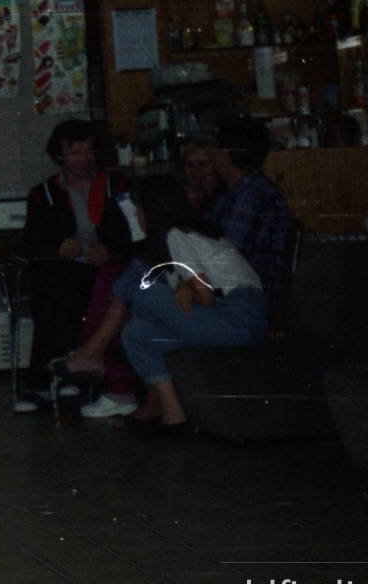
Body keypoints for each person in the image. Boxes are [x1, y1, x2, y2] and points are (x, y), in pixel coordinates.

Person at [62, 175, 265, 432]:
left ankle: (94, 355)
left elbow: (205, 294)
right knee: (137, 334)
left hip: (237, 317)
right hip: (237, 319)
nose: (136, 215)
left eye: (139, 208)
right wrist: (181, 288)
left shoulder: (176, 235)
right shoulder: (191, 232)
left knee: (142, 291)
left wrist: (183, 287)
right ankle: (173, 415)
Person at [16, 119, 134, 413]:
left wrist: (111, 250)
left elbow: (137, 233)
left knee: (66, 289)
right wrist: (57, 246)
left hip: (107, 270)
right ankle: (44, 383)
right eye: (76, 153)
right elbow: (31, 244)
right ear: (60, 156)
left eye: (89, 152)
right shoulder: (42, 194)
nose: (84, 160)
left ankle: (59, 377)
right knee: (53, 285)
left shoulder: (117, 185)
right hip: (65, 271)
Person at [203, 115, 292, 296]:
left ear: (225, 155)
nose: (208, 153)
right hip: (235, 289)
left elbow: (227, 253)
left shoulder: (252, 192)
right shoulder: (231, 191)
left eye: (213, 147)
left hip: (251, 295)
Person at [180, 137, 221, 214]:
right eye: (189, 164)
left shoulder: (225, 199)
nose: (195, 170)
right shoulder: (182, 196)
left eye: (202, 164)